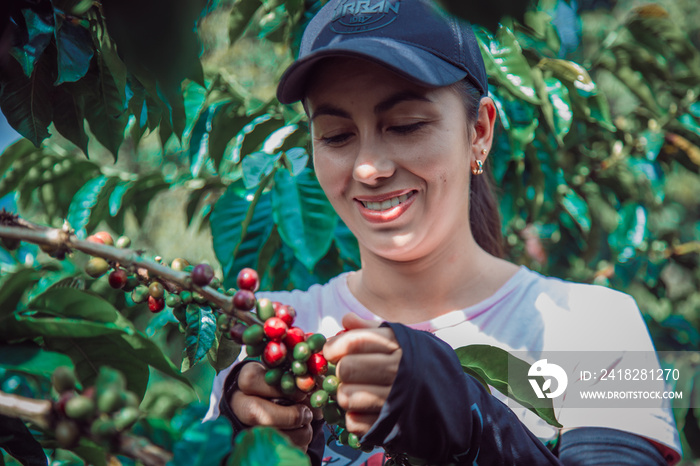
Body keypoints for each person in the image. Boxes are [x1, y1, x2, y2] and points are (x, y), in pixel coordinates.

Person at [206, 0, 682, 464]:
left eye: (407, 125)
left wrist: (469, 417)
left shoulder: (599, 328)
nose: (369, 167)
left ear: (479, 130)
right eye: (335, 136)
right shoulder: (270, 334)